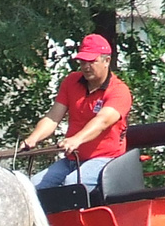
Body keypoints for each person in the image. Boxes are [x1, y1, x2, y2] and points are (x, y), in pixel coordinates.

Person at [19, 33, 132, 190]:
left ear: (107, 61)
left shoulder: (119, 91)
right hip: (72, 159)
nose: (86, 66)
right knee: (31, 187)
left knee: (72, 185)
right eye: (82, 61)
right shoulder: (71, 81)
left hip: (105, 160)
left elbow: (102, 121)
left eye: (91, 61)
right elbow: (53, 117)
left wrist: (76, 139)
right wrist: (33, 139)